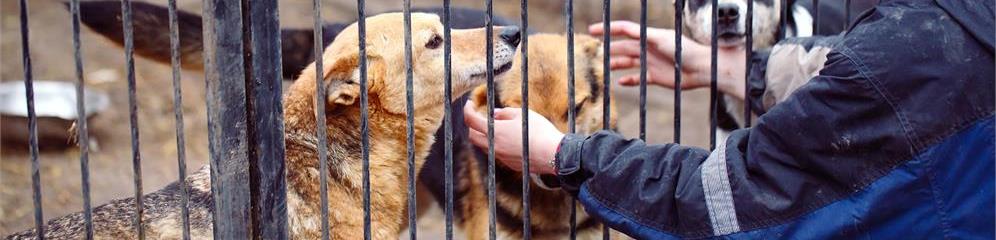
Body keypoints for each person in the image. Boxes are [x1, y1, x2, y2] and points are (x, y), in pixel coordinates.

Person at [462, 0, 994, 238]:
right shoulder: (961, 26)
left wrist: (565, 153)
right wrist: (741, 70)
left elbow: (733, 200)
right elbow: (879, 71)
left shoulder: (915, 47)